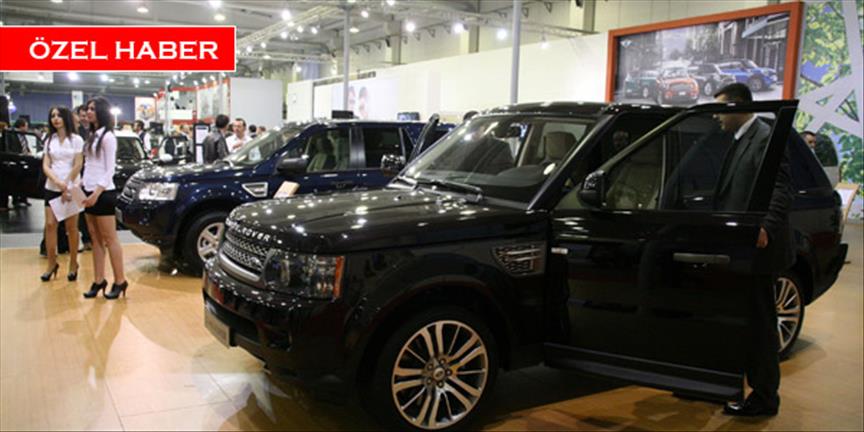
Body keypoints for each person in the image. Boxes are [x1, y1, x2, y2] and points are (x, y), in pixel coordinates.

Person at [713, 83, 794, 417]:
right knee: (741, 324)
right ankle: (726, 386)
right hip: (739, 249)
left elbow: (780, 187)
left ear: (738, 107)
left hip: (758, 251)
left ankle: (764, 398)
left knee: (760, 327)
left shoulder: (764, 138)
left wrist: (765, 227)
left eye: (722, 109)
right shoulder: (741, 139)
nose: (717, 116)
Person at [80, 97, 128, 300]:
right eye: (88, 109)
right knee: (95, 238)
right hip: (88, 191)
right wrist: (82, 186)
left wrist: (96, 193)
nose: (88, 112)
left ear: (101, 111)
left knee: (110, 238)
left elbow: (109, 170)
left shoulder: (108, 137)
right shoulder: (91, 136)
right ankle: (99, 280)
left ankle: (120, 280)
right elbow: (89, 165)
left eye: (92, 109)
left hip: (103, 193)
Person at [40, 106, 85, 282]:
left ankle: (73, 263)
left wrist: (66, 183)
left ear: (65, 117)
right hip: (52, 186)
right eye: (52, 116)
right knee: (50, 225)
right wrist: (57, 181)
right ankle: (52, 263)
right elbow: (45, 165)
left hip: (72, 187)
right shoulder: (49, 140)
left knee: (71, 228)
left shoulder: (77, 140)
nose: (56, 119)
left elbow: (78, 164)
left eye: (59, 115)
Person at [9, 118, 32, 207]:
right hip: (16, 162)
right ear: (21, 126)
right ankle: (15, 200)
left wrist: (28, 152)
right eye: (26, 126)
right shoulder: (12, 135)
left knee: (24, 181)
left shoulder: (23, 136)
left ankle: (24, 199)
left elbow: (25, 146)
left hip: (25, 161)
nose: (27, 128)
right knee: (15, 181)